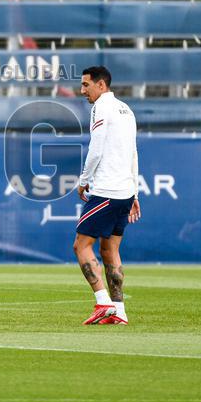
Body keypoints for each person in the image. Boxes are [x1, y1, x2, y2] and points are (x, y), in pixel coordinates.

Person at [74, 66, 140, 325]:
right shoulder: (127, 109)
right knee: (110, 250)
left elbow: (96, 147)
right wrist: (134, 191)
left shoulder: (100, 107)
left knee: (81, 245)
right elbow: (134, 152)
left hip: (106, 190)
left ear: (101, 85)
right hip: (124, 191)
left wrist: (83, 180)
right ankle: (119, 312)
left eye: (86, 85)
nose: (82, 90)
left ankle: (102, 302)